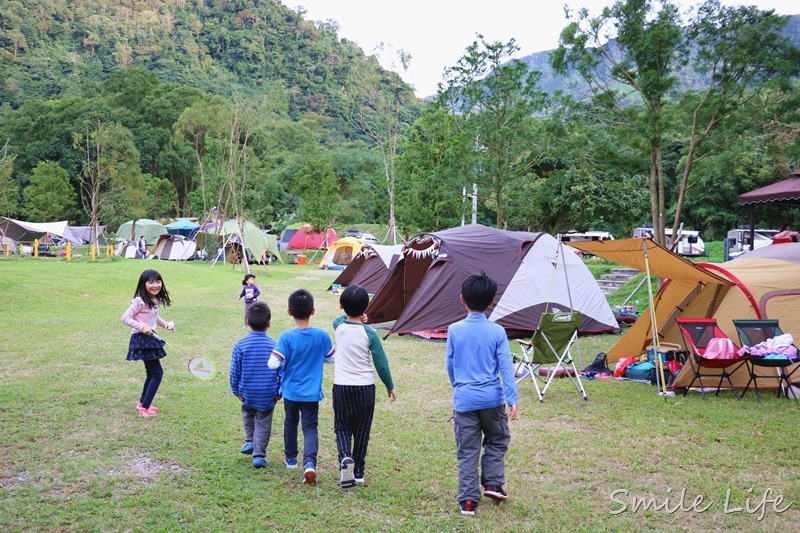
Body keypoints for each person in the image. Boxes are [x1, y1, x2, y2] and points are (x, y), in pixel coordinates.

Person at [446, 273, 518, 517]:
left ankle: (468, 501)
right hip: (493, 400)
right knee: (497, 440)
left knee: (467, 451)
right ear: (491, 301)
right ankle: (493, 484)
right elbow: (506, 367)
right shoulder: (497, 331)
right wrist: (512, 398)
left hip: (465, 400)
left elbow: (450, 363)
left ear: (462, 299)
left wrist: (459, 386)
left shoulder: (454, 329)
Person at [332, 284, 397, 489]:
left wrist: (355, 316)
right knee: (362, 429)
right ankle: (358, 470)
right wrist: (389, 385)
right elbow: (381, 362)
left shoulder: (339, 328)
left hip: (342, 386)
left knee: (342, 426)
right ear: (366, 307)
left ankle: (345, 457)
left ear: (341, 306)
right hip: (365, 388)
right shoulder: (370, 333)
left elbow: (338, 319)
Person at [268, 289, 335, 485]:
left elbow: (272, 363)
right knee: (310, 427)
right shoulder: (321, 335)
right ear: (313, 311)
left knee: (290, 422)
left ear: (289, 312)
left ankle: (291, 458)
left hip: (290, 391)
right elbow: (332, 358)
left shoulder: (286, 337)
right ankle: (309, 464)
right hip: (312, 394)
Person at [229, 301, 280, 468]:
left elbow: (234, 370)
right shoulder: (274, 345)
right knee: (263, 423)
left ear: (247, 322)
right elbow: (282, 370)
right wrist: (280, 391)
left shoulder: (241, 345)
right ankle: (259, 455)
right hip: (268, 393)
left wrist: (235, 389)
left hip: (247, 392)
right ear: (269, 323)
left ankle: (250, 439)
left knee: (248, 414)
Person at [121, 269, 175, 417]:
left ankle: (142, 403)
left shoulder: (154, 300)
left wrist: (166, 325)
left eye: (158, 281)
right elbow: (125, 318)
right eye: (150, 282)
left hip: (150, 338)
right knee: (157, 373)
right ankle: (145, 408)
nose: (155, 285)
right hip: (142, 338)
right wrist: (142, 327)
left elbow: (154, 317)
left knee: (152, 373)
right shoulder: (139, 301)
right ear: (143, 284)